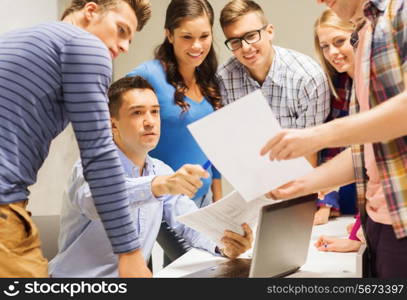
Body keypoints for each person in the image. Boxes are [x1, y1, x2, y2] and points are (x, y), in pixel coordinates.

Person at [0, 0, 152, 278]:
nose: (124, 47)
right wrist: (130, 253)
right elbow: (98, 156)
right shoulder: (86, 46)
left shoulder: (15, 40)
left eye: (129, 39)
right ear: (91, 11)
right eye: (120, 30)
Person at [49, 76, 253, 277]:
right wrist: (157, 186)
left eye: (154, 112)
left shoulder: (161, 171)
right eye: (137, 113)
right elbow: (98, 201)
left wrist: (224, 245)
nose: (150, 122)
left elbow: (189, 225)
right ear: (112, 125)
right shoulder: (90, 165)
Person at [261, 0, 407, 278]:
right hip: (377, 222)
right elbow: (369, 149)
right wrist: (301, 185)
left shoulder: (401, 12)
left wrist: (318, 135)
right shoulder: (363, 34)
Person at [127, 0, 222, 209]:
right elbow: (113, 121)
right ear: (169, 35)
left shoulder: (210, 80)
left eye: (204, 36)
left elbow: (214, 145)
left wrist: (218, 198)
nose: (197, 46)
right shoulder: (148, 75)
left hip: (203, 201)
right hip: (163, 204)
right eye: (187, 37)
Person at [216, 0, 331, 167]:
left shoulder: (308, 79)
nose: (246, 47)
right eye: (235, 41)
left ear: (269, 32)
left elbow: (309, 154)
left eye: (251, 36)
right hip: (252, 177)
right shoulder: (223, 78)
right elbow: (233, 146)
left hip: (303, 179)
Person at [313, 9, 357, 225]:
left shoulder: (378, 82)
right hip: (348, 189)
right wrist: (327, 202)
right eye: (325, 46)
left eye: (339, 41)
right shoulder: (338, 85)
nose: (332, 53)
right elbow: (333, 147)